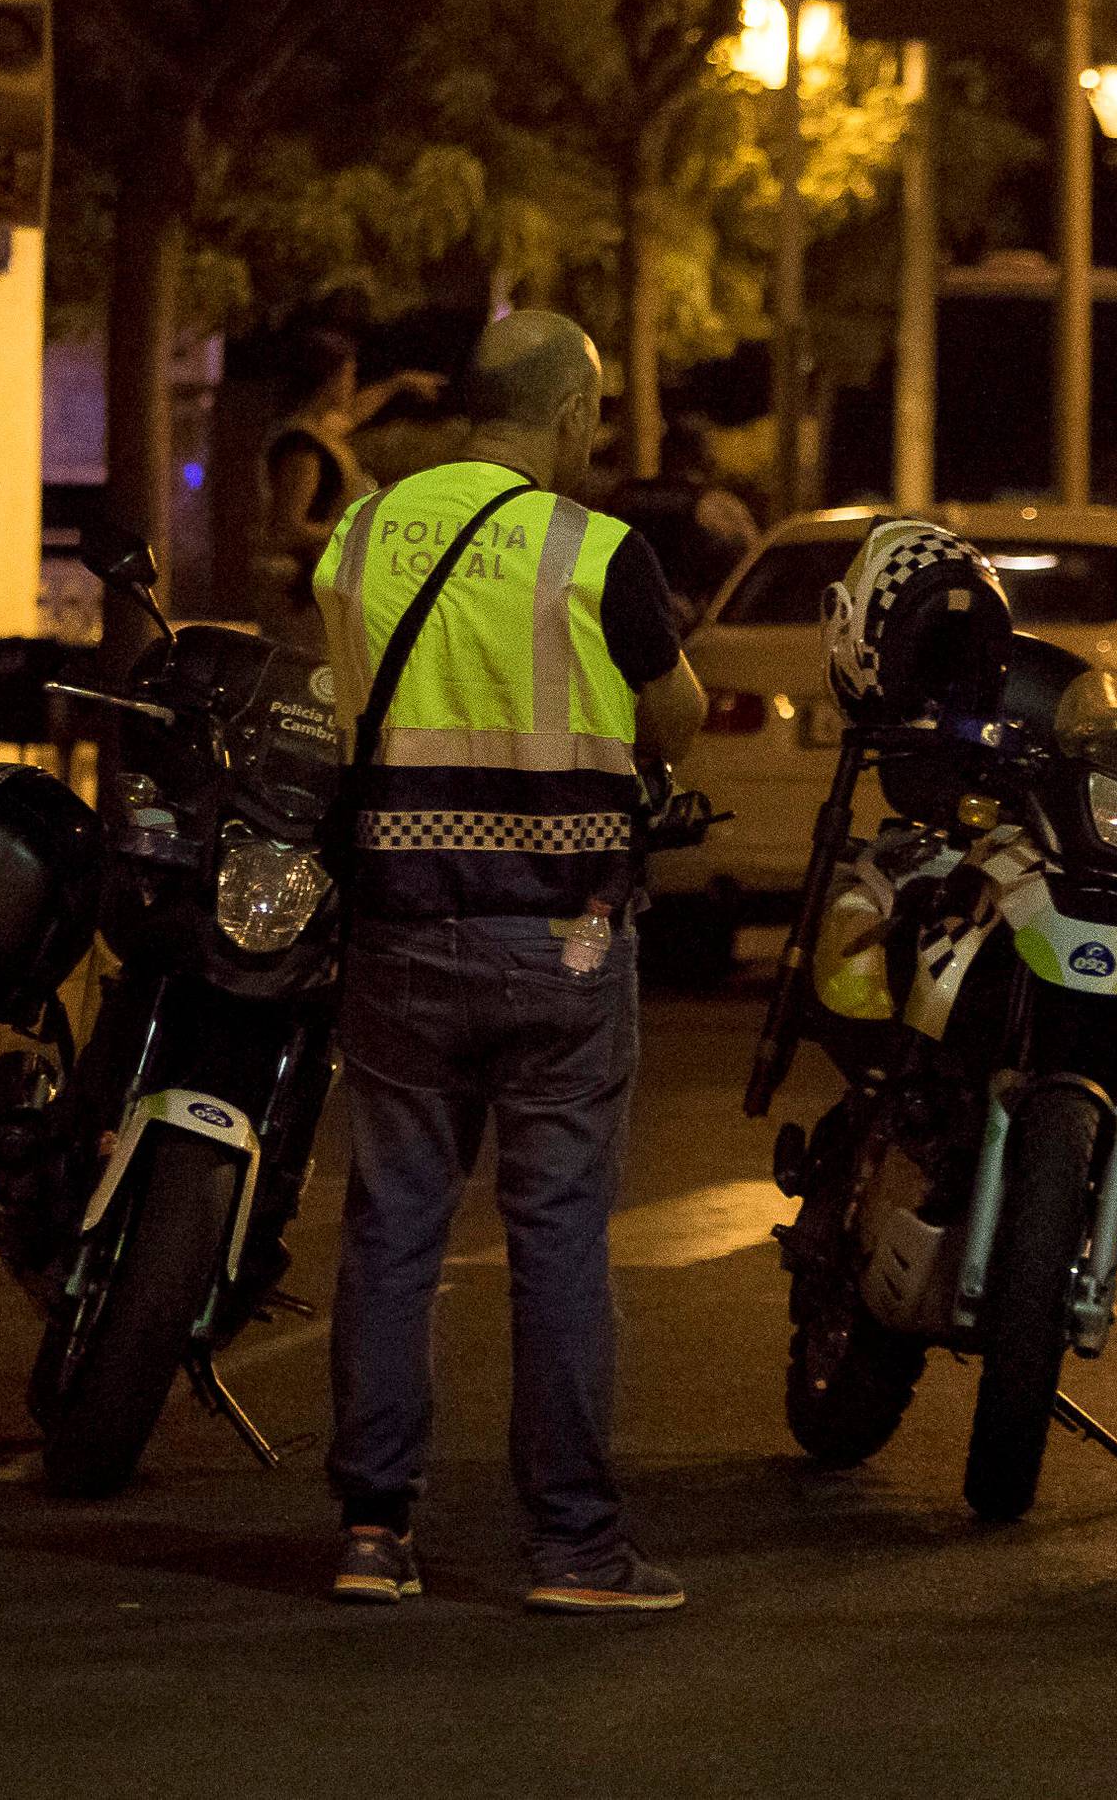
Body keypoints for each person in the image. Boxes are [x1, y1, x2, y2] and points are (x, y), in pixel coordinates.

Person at [313, 309, 706, 1614]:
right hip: (566, 939)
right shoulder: (598, 553)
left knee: (392, 1231)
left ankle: (373, 1530)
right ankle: (575, 1546)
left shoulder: (361, 537)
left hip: (401, 930)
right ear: (570, 415)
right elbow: (678, 714)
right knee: (557, 1245)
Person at [255, 326, 445, 651]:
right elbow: (287, 527)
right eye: (349, 373)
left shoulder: (322, 430)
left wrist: (399, 384)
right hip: (298, 594)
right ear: (329, 380)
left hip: (318, 585)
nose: (353, 382)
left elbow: (355, 412)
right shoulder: (303, 448)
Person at [605, 415, 760, 623]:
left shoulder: (627, 495)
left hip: (621, 614)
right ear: (702, 456)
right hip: (689, 621)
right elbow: (752, 560)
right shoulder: (714, 505)